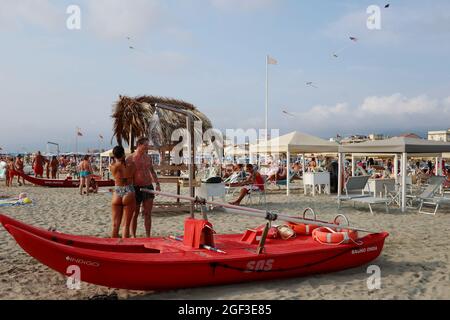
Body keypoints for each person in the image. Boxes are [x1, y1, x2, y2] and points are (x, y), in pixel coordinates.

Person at [127, 137, 161, 238]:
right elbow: (126, 174)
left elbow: (152, 171)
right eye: (145, 145)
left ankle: (148, 236)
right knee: (135, 213)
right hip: (136, 187)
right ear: (139, 145)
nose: (147, 147)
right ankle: (133, 236)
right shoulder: (130, 158)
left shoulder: (148, 158)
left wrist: (157, 183)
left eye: (148, 145)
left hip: (148, 186)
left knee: (148, 213)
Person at [110, 146, 136, 238]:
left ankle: (113, 247)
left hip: (117, 190)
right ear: (123, 153)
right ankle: (125, 246)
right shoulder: (131, 164)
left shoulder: (113, 166)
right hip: (128, 189)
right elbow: (134, 176)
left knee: (115, 224)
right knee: (126, 225)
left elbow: (117, 167)